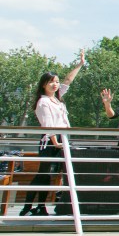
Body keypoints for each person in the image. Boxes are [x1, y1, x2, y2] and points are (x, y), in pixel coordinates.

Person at [19, 50, 84, 217]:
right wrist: (55, 142)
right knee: (44, 173)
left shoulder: (58, 98)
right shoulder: (43, 102)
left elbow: (68, 80)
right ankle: (31, 206)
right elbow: (49, 125)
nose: (55, 84)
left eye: (56, 82)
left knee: (54, 173)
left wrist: (80, 64)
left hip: (62, 138)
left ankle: (40, 206)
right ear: (43, 85)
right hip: (50, 140)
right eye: (51, 82)